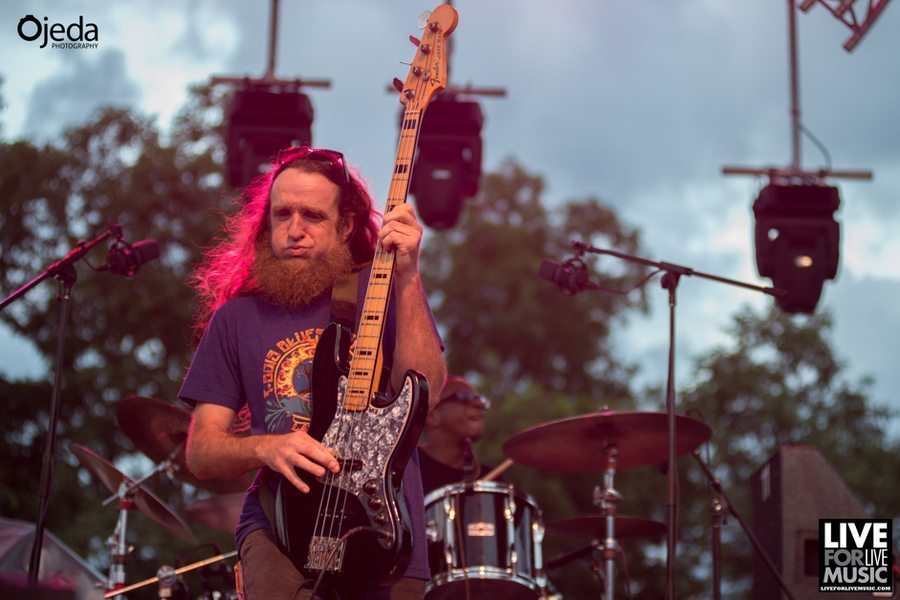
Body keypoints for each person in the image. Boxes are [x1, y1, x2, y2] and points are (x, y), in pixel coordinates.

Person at [179, 146, 447, 600]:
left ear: (346, 225)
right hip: (280, 527)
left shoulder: (381, 290)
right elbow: (201, 453)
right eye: (282, 214)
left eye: (313, 216)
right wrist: (267, 446)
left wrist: (408, 277)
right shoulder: (236, 319)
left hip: (385, 528)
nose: (295, 230)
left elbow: (429, 392)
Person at [417, 376, 494, 496]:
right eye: (464, 396)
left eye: (479, 398)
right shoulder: (406, 469)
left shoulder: (491, 482)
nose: (479, 404)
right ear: (432, 415)